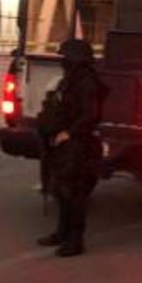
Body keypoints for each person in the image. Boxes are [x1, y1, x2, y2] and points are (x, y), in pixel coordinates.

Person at [36, 39, 103, 257]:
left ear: (77, 59)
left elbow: (89, 115)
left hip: (77, 144)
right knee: (61, 191)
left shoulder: (87, 82)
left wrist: (70, 133)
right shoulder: (70, 79)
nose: (63, 61)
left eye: (66, 57)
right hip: (62, 142)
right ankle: (61, 233)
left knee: (74, 193)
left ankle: (75, 241)